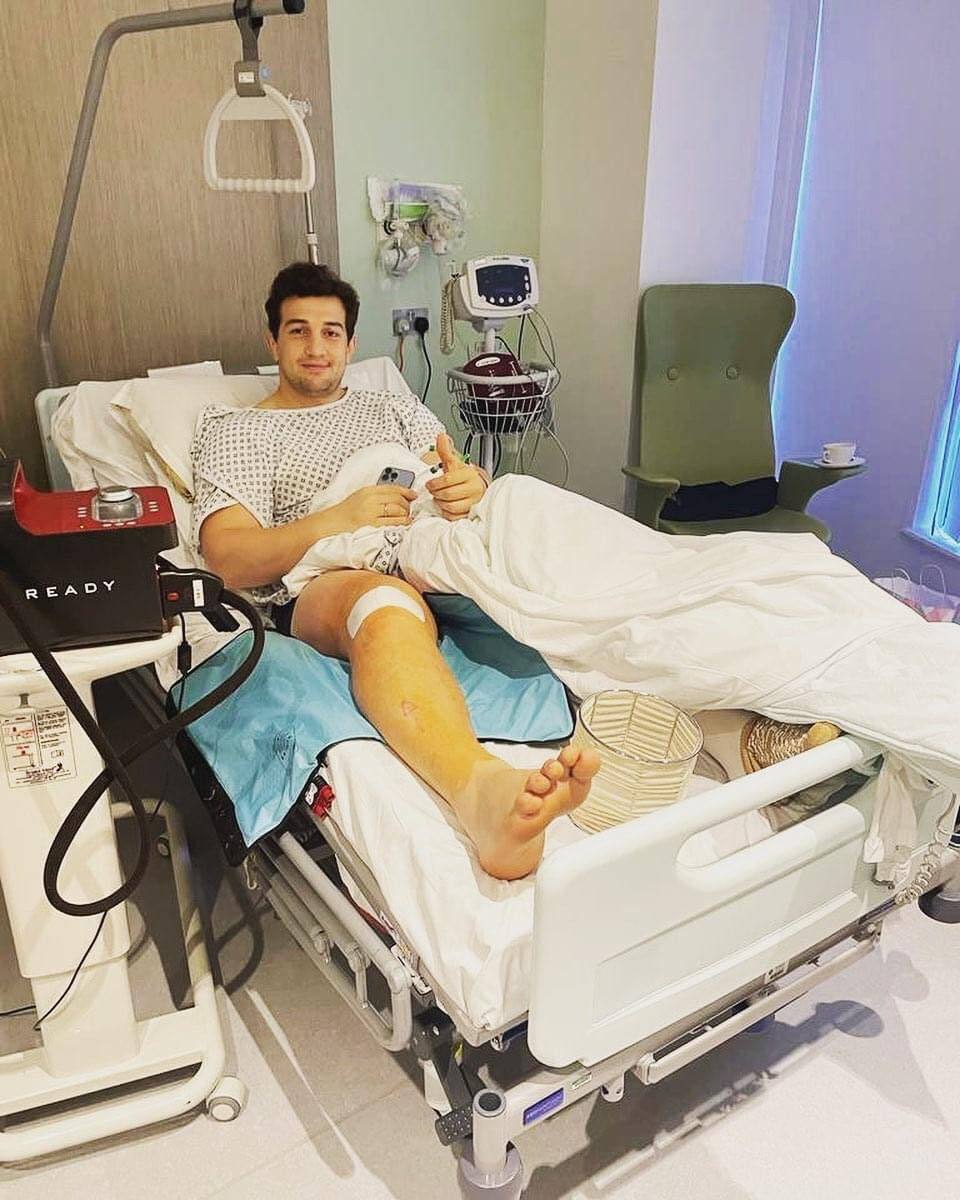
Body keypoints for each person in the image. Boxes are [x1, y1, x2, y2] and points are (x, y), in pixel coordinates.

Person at [191, 262, 599, 880]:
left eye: (331, 332)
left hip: (436, 550)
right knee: (383, 605)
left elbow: (451, 471)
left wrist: (470, 485)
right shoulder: (240, 431)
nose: (316, 346)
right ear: (272, 341)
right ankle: (481, 791)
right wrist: (338, 518)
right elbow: (228, 556)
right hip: (331, 579)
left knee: (543, 532)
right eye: (298, 331)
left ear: (351, 344)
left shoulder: (391, 408)